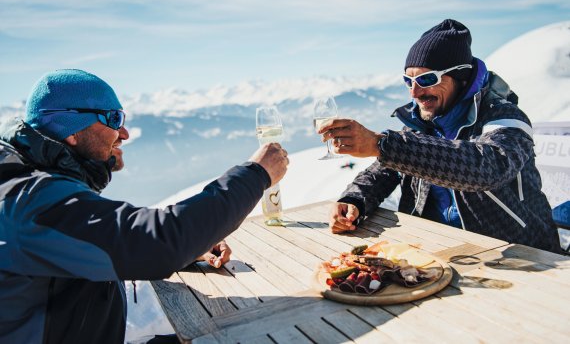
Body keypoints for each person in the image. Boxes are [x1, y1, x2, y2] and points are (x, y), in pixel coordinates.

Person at [0, 69, 289, 343]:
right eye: (113, 119)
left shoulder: (34, 183)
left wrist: (189, 247)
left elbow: (113, 245)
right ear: (70, 130)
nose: (124, 133)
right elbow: (157, 243)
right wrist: (256, 174)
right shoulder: (28, 201)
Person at [318, 19, 560, 253]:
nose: (415, 91)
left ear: (461, 77)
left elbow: (487, 166)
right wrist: (354, 201)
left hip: (520, 252)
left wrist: (381, 144)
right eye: (408, 80)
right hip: (439, 249)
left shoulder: (504, 116)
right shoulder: (421, 121)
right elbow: (384, 170)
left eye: (426, 79)